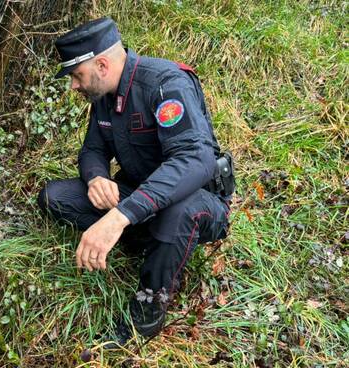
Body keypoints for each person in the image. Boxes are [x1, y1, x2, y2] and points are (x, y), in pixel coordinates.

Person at [37, 17, 235, 344]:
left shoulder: (166, 84)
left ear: (101, 64)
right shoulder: (104, 96)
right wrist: (96, 177)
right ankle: (149, 238)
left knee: (179, 211)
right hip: (140, 199)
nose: (74, 85)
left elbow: (194, 161)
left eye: (76, 75)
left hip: (198, 202)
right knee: (54, 197)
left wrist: (120, 216)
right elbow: (92, 150)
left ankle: (147, 309)